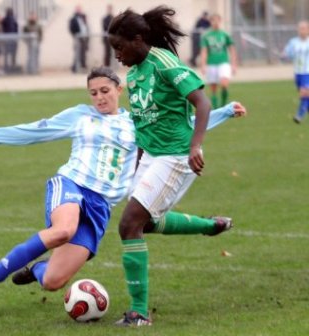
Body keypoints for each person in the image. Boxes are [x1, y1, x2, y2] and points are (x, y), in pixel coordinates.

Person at [0, 66, 246, 300]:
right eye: (93, 92)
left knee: (53, 282)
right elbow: (34, 130)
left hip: (100, 206)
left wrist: (225, 111)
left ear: (119, 90)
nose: (99, 97)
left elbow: (184, 126)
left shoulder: (137, 123)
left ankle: (36, 270)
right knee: (63, 230)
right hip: (70, 184)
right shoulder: (80, 116)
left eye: (105, 91)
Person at [108, 6, 226, 326]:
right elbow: (143, 126)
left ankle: (139, 313)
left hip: (176, 155)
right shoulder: (133, 75)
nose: (116, 55)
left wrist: (195, 146)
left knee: (129, 224)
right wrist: (136, 165)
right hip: (152, 156)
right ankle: (208, 225)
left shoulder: (164, 63)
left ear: (137, 39)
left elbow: (202, 102)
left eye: (119, 47)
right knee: (143, 223)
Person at [200, 13, 237, 108]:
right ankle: (215, 106)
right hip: (211, 63)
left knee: (224, 84)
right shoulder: (206, 36)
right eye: (213, 20)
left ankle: (224, 103)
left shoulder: (225, 35)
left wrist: (234, 64)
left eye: (217, 20)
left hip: (223, 63)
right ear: (210, 22)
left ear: (220, 21)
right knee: (213, 87)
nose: (215, 22)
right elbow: (204, 51)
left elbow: (232, 50)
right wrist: (203, 65)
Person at [282, 20, 309, 124]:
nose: (302, 31)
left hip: (308, 72)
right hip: (298, 73)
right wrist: (284, 55)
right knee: (305, 95)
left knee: (304, 93)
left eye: (304, 28)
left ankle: (299, 115)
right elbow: (286, 53)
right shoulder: (293, 42)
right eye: (300, 28)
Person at [69, 5, 89, 73]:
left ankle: (83, 67)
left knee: (83, 52)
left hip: (83, 37)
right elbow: (71, 28)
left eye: (80, 9)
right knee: (77, 53)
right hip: (77, 37)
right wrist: (75, 35)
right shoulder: (73, 18)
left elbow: (86, 26)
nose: (79, 11)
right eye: (78, 9)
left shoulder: (83, 17)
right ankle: (75, 68)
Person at [2, 7, 19, 73]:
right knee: (10, 54)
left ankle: (10, 67)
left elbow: (16, 29)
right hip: (10, 40)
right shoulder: (7, 20)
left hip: (10, 40)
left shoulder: (12, 20)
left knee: (10, 54)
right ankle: (10, 67)